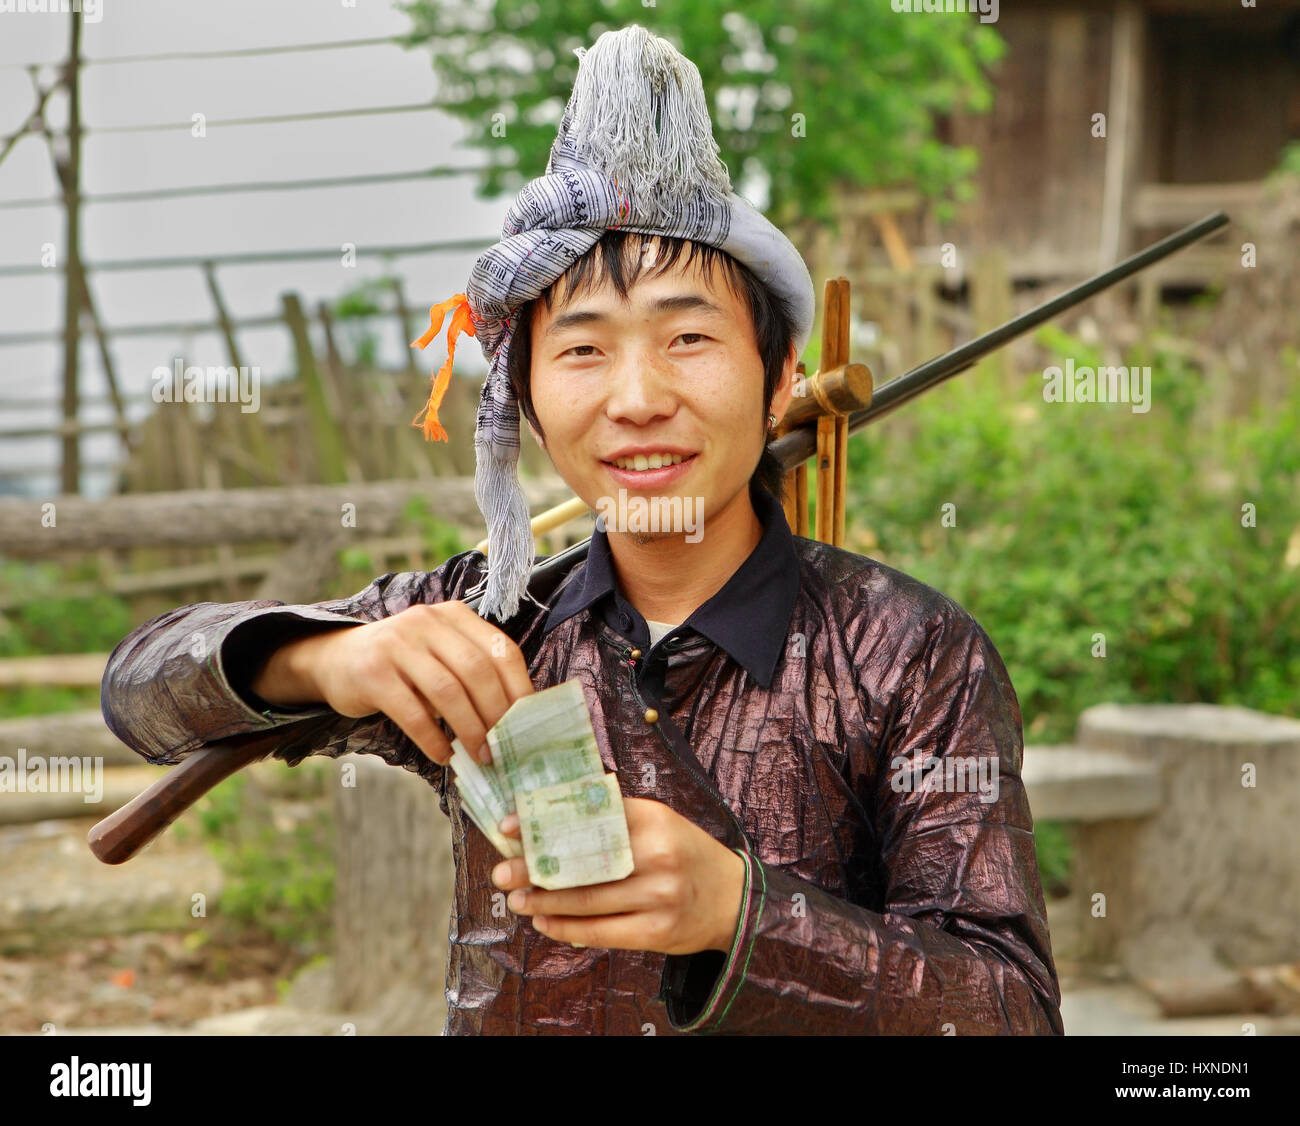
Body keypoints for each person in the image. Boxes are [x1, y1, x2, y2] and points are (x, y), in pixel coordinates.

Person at [102, 24, 1063, 1035]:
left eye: (689, 338)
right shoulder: (491, 623)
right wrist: (327, 657)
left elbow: (1008, 1008)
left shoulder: (909, 653)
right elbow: (140, 694)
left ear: (781, 380)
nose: (637, 398)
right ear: (522, 395)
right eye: (583, 349)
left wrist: (741, 913)